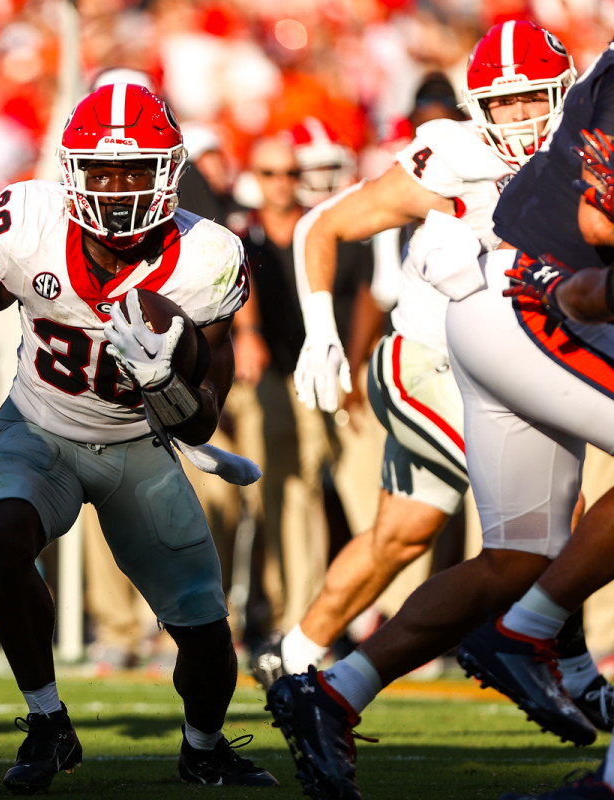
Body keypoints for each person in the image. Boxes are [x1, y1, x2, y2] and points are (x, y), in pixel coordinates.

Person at [265, 20, 614, 799]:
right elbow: (327, 222)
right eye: (508, 100)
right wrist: (320, 333)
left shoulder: (581, 145)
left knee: (444, 544)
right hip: (429, 357)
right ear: (478, 106)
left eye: (536, 97)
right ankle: (563, 659)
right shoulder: (456, 153)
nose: (524, 116)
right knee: (559, 525)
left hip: (508, 350)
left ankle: (318, 676)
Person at [0, 82, 275, 793]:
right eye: (100, 172)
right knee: (4, 535)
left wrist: (167, 378)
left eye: (133, 172)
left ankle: (203, 749)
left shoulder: (209, 257)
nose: (116, 190)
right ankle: (48, 722)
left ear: (168, 172)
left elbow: (204, 416)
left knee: (204, 627)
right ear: (70, 171)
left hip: (139, 445)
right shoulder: (28, 223)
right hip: (39, 425)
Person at [233, 135, 378, 642]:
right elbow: (238, 284)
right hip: (278, 377)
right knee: (284, 493)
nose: (280, 184)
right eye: (269, 174)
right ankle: (293, 612)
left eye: (289, 174)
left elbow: (368, 293)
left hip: (335, 375)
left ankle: (335, 613)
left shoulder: (323, 228)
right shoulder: (242, 236)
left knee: (352, 493)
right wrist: (248, 335)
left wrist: (353, 366)